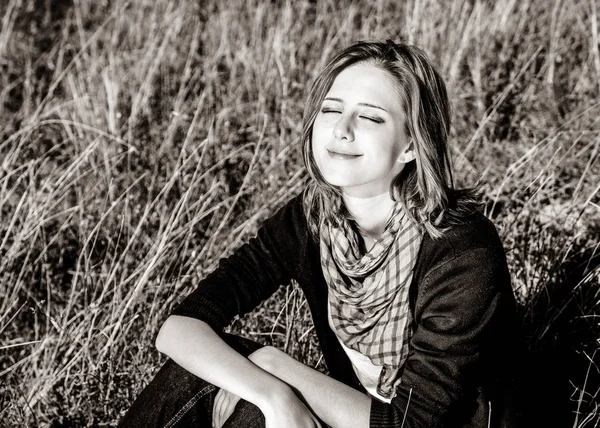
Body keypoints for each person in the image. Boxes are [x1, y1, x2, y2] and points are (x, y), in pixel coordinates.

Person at [119, 39, 521, 428]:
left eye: (371, 117)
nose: (342, 130)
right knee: (238, 389)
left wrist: (276, 365)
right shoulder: (314, 219)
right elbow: (179, 327)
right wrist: (271, 391)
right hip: (357, 416)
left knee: (260, 398)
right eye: (331, 110)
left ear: (411, 147)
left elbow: (410, 423)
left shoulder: (461, 252)